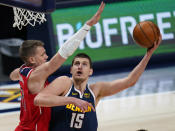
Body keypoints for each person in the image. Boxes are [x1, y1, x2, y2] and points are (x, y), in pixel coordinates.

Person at [10, 2, 105, 131]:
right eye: (42, 55)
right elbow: (63, 53)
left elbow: (13, 75)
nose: (46, 57)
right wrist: (87, 26)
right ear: (32, 59)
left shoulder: (23, 70)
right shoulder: (37, 74)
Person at [34, 35, 162, 131]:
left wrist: (148, 54)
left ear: (90, 71)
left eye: (84, 64)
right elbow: (39, 99)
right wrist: (72, 100)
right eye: (76, 64)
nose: (79, 67)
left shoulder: (96, 90)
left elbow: (129, 81)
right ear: (71, 69)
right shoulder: (64, 82)